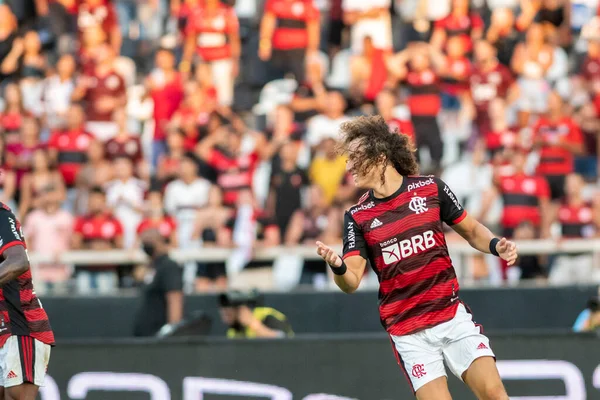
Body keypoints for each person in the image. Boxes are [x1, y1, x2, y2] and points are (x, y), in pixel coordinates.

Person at [315, 116, 516, 399]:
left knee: (495, 395)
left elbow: (471, 230)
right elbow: (351, 281)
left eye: (355, 157)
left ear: (381, 157)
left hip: (450, 317)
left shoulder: (430, 188)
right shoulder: (358, 216)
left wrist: (496, 245)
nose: (348, 166)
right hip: (409, 333)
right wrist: (337, 265)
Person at [0, 202, 54, 400]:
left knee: (16, 396)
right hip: (3, 329)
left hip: (20, 324)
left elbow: (18, 261)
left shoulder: (1, 217)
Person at [133, 229, 184, 337]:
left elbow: (175, 298)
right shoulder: (151, 267)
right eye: (144, 243)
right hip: (145, 334)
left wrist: (172, 332)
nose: (146, 246)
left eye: (149, 242)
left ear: (160, 242)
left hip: (159, 335)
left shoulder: (168, 266)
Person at [218, 290, 293, 339]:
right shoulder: (233, 330)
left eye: (228, 312)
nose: (224, 311)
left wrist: (253, 324)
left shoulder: (267, 316)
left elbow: (283, 340)